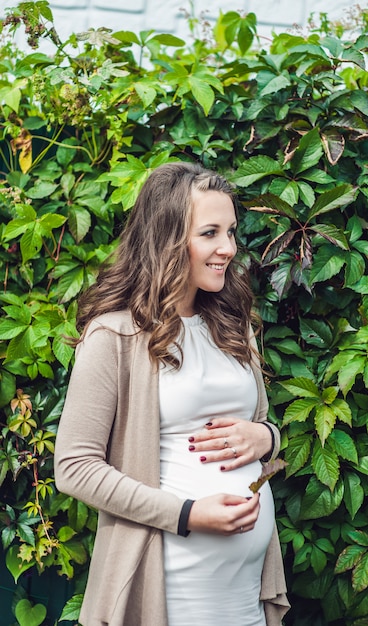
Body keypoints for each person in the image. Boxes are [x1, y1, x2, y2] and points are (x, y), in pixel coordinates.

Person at [54, 162, 289, 626]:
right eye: (210, 233)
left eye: (231, 232)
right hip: (171, 590)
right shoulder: (115, 336)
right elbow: (73, 467)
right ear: (166, 239)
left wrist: (268, 439)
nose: (228, 248)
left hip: (244, 593)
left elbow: (261, 427)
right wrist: (186, 514)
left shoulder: (233, 325)